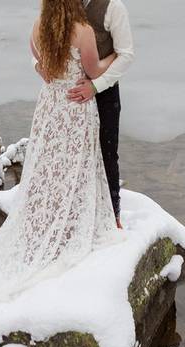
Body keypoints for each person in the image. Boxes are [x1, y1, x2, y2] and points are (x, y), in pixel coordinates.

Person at [0, 0, 121, 302]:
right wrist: (114, 55)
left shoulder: (40, 27)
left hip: (50, 107)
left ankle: (49, 218)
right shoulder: (83, 30)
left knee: (49, 166)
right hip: (75, 109)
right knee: (76, 165)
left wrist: (44, 68)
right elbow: (94, 70)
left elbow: (37, 57)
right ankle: (69, 224)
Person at [65, 0, 134, 224]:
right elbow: (40, 40)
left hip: (104, 94)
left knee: (106, 152)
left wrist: (96, 86)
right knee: (70, 153)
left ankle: (112, 215)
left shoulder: (113, 7)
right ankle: (73, 212)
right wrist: (37, 66)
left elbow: (126, 55)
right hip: (68, 96)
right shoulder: (59, 5)